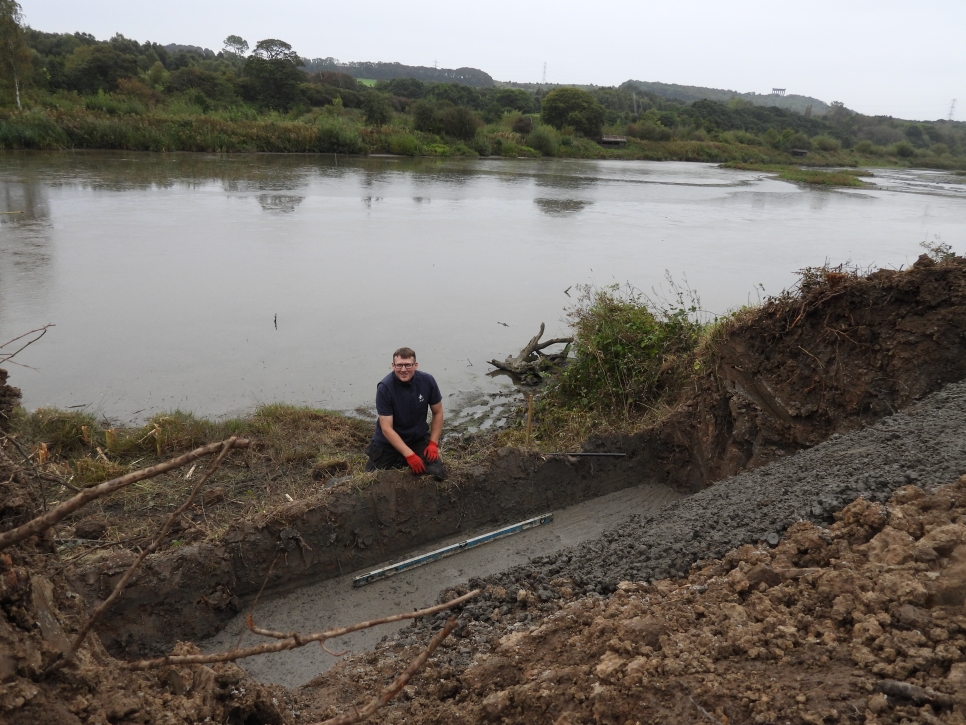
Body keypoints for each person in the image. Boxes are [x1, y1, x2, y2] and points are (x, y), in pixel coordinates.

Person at [365, 347, 447, 479]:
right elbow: (386, 428)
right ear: (393, 366)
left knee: (437, 474)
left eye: (408, 365)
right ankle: (401, 458)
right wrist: (410, 455)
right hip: (388, 443)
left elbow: (438, 413)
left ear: (415, 365)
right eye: (399, 365)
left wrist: (433, 443)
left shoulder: (427, 381)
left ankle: (406, 458)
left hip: (417, 439)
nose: (403, 370)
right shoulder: (384, 388)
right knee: (372, 478)